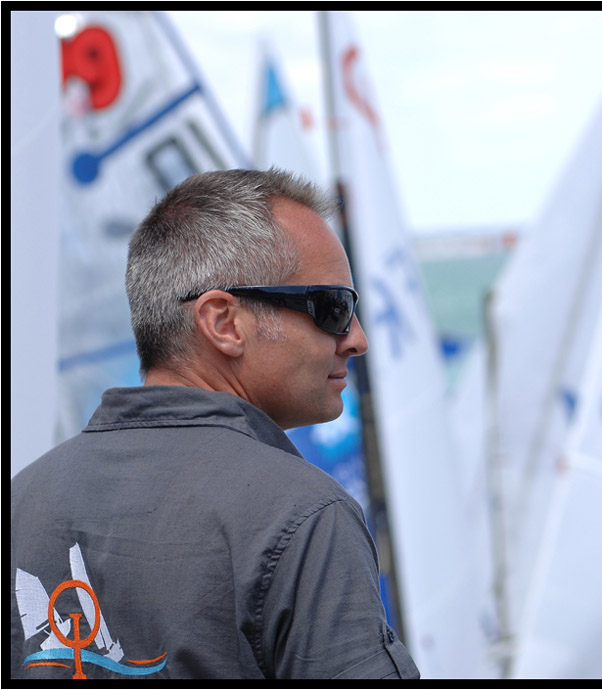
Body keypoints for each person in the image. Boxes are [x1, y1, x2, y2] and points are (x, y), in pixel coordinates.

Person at [10, 169, 420, 680]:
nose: (357, 338)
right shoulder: (304, 515)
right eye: (333, 308)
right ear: (223, 323)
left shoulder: (22, 500)